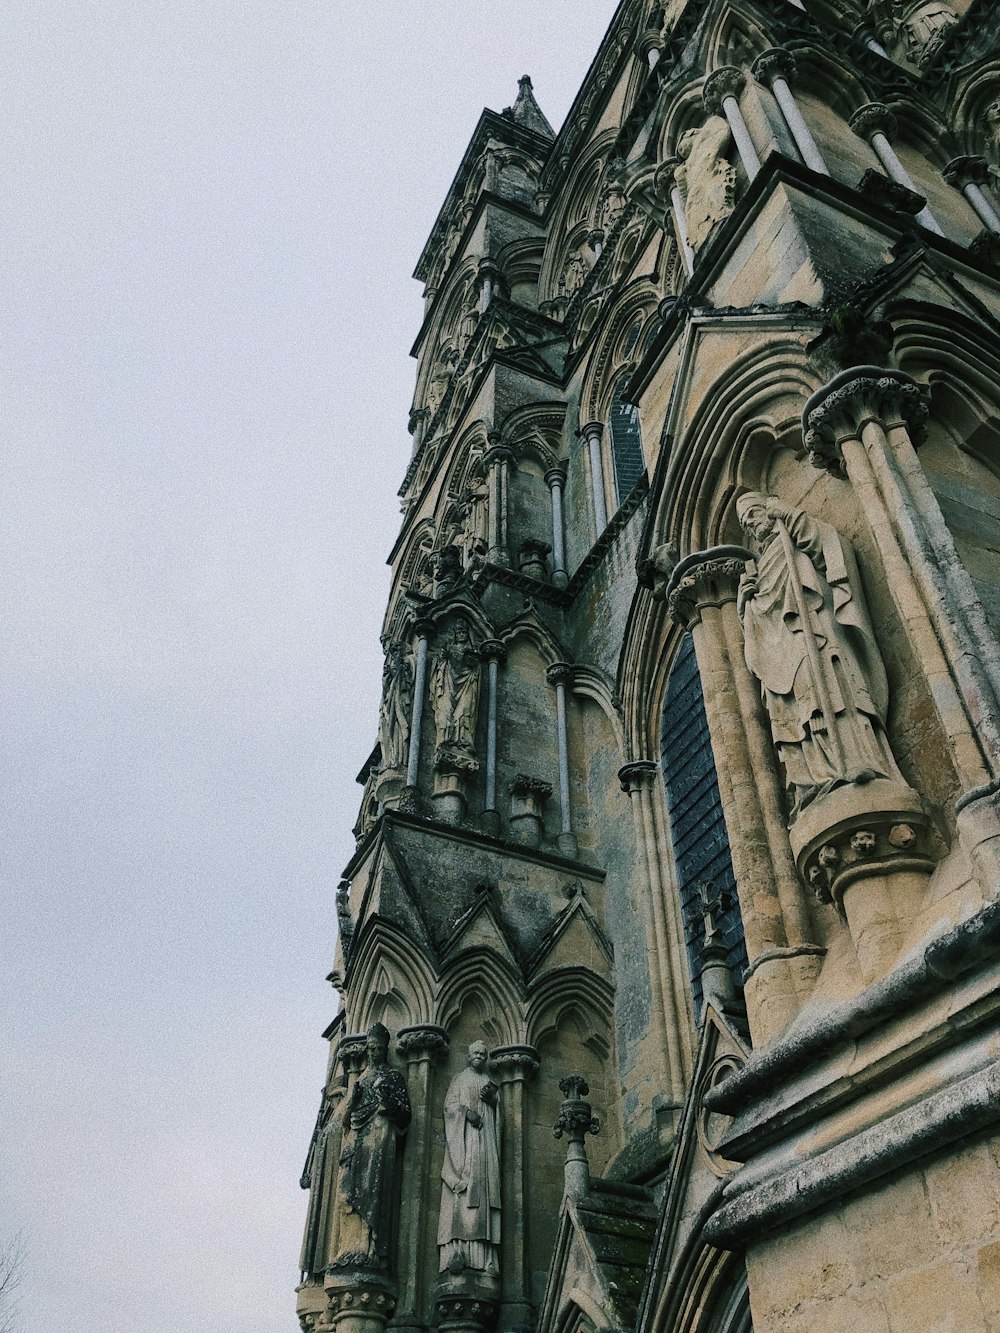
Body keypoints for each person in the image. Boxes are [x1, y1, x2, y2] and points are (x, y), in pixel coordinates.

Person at [736, 492, 905, 817]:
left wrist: (789, 513)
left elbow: (831, 549)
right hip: (785, 647)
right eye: (746, 523)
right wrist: (747, 606)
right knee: (798, 704)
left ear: (768, 511)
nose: (752, 525)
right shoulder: (762, 566)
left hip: (818, 631)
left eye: (754, 516)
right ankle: (813, 781)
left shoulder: (793, 538)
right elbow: (761, 631)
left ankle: (860, 761)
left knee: (832, 687)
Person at [332, 1023, 411, 1271]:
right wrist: (353, 1101)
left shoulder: (392, 1077)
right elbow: (344, 1121)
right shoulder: (361, 1080)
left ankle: (369, 1249)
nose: (373, 1052)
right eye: (370, 1048)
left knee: (371, 1193)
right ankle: (349, 1248)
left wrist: (387, 1102)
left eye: (377, 1048)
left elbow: (404, 1115)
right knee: (347, 1191)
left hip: (378, 1140)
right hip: (356, 1139)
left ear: (385, 1049)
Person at [437, 1041, 502, 1278]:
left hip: (485, 1147)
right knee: (461, 1198)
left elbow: (499, 1119)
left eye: (483, 1054)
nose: (479, 1057)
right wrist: (466, 1114)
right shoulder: (459, 1079)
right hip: (464, 1146)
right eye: (475, 1053)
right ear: (468, 1056)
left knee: (483, 1197)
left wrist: (494, 1103)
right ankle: (457, 1253)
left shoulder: (488, 1082)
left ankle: (485, 1257)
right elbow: (449, 1108)